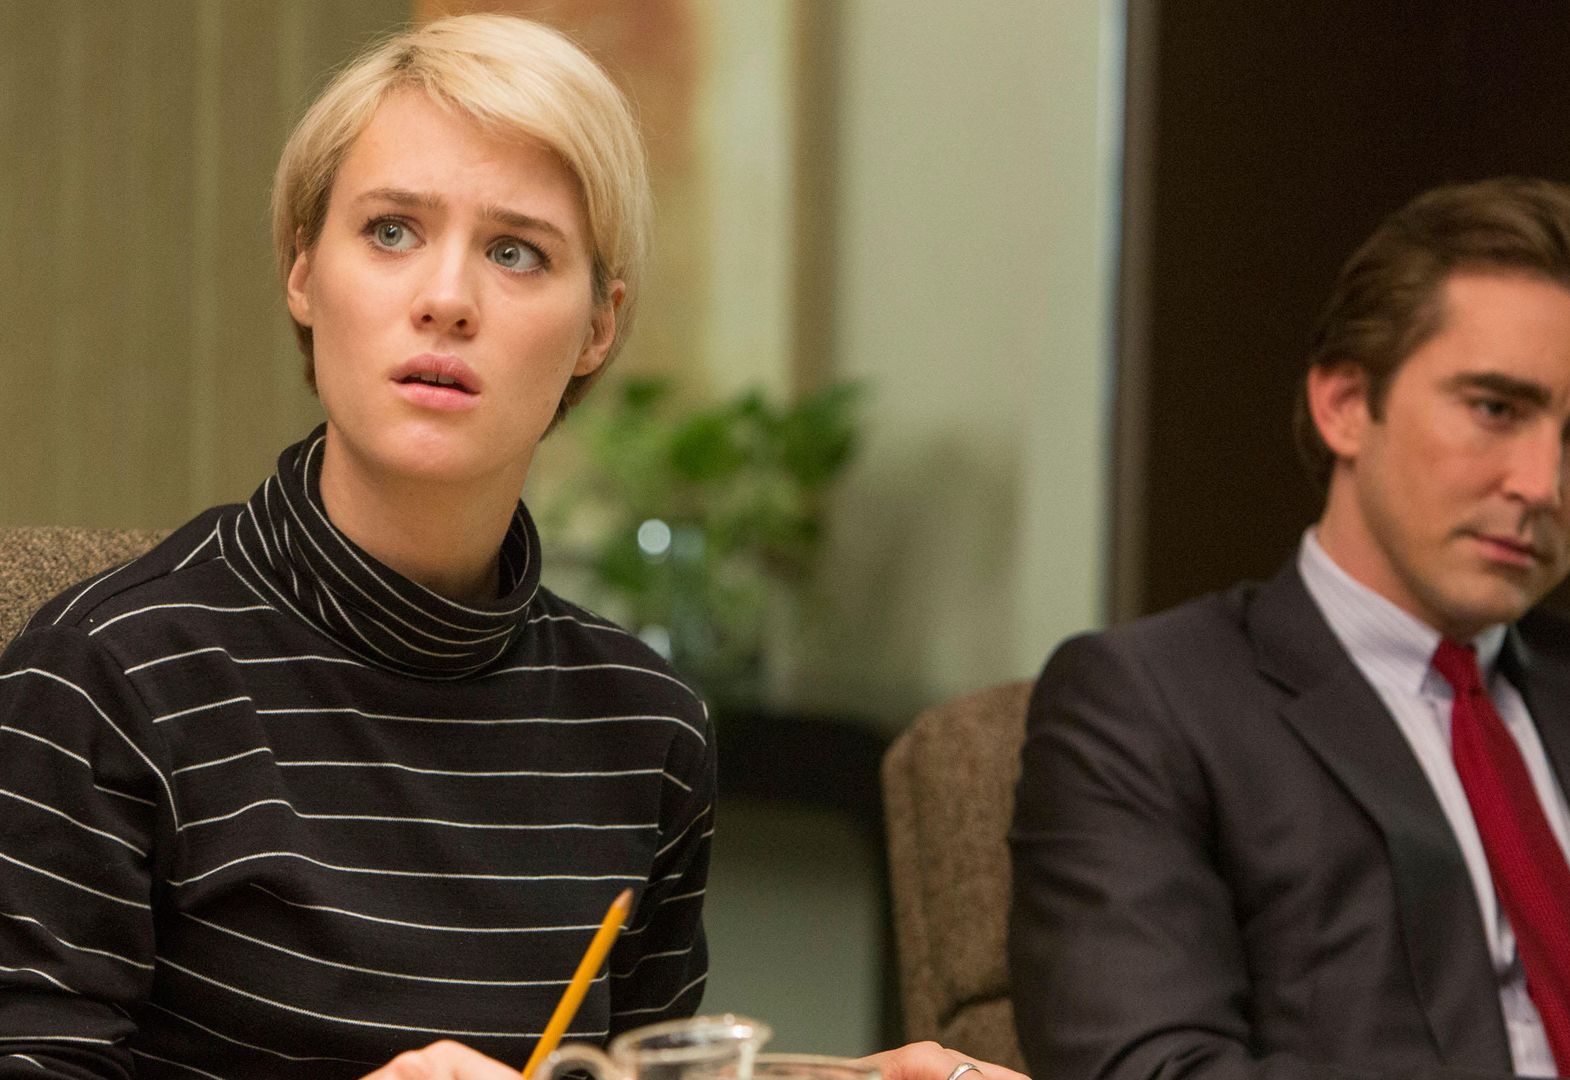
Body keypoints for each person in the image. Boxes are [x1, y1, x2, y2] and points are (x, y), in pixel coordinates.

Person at [0, 16, 1021, 1080]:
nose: (446, 299)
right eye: (392, 231)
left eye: (516, 251)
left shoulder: (646, 725)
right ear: (304, 273)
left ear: (597, 327)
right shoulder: (109, 672)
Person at [1008, 177, 1570, 1080]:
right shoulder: (1151, 702)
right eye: (1496, 408)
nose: (1542, 484)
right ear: (1343, 406)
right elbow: (1149, 1072)